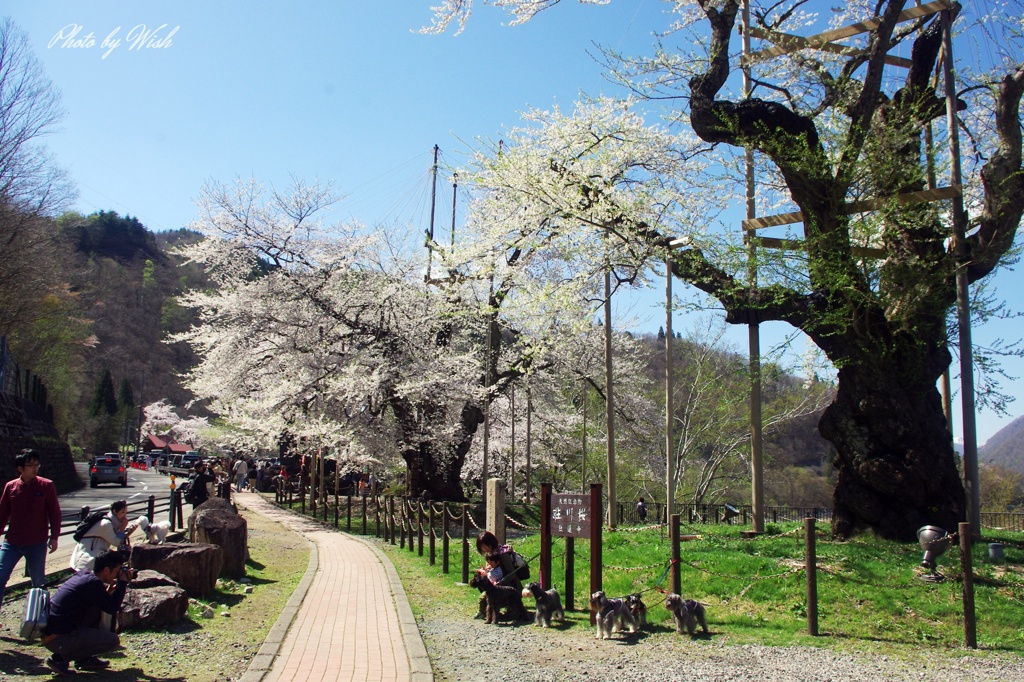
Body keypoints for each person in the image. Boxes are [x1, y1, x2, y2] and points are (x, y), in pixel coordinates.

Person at [42, 549, 133, 676]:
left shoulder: (85, 576)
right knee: (112, 641)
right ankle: (60, 660)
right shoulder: (93, 583)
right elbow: (112, 607)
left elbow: (96, 606)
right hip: (58, 639)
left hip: (52, 633)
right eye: (117, 571)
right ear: (106, 570)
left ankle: (84, 659)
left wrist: (108, 593)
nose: (117, 575)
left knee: (96, 612)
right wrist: (122, 583)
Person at [0, 449, 61, 607]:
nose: (35, 468)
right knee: (0, 577)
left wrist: (54, 537)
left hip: (36, 543)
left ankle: (39, 621)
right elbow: (2, 514)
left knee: (38, 583)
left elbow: (54, 513)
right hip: (12, 543)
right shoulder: (11, 487)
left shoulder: (46, 486)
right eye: (31, 465)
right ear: (20, 468)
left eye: (37, 465)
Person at [70, 500, 139, 572]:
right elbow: (116, 542)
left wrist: (128, 533)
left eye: (125, 513)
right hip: (85, 560)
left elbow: (118, 539)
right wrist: (123, 527)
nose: (124, 515)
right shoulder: (106, 524)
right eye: (122, 512)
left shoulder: (113, 523)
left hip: (93, 558)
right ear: (114, 511)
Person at [473, 530, 523, 618]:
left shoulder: (502, 554)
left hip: (510, 586)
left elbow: (512, 574)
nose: (484, 549)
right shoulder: (490, 554)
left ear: (490, 543)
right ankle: (490, 611)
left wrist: (498, 584)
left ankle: (510, 610)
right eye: (482, 547)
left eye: (485, 546)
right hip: (497, 584)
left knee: (488, 596)